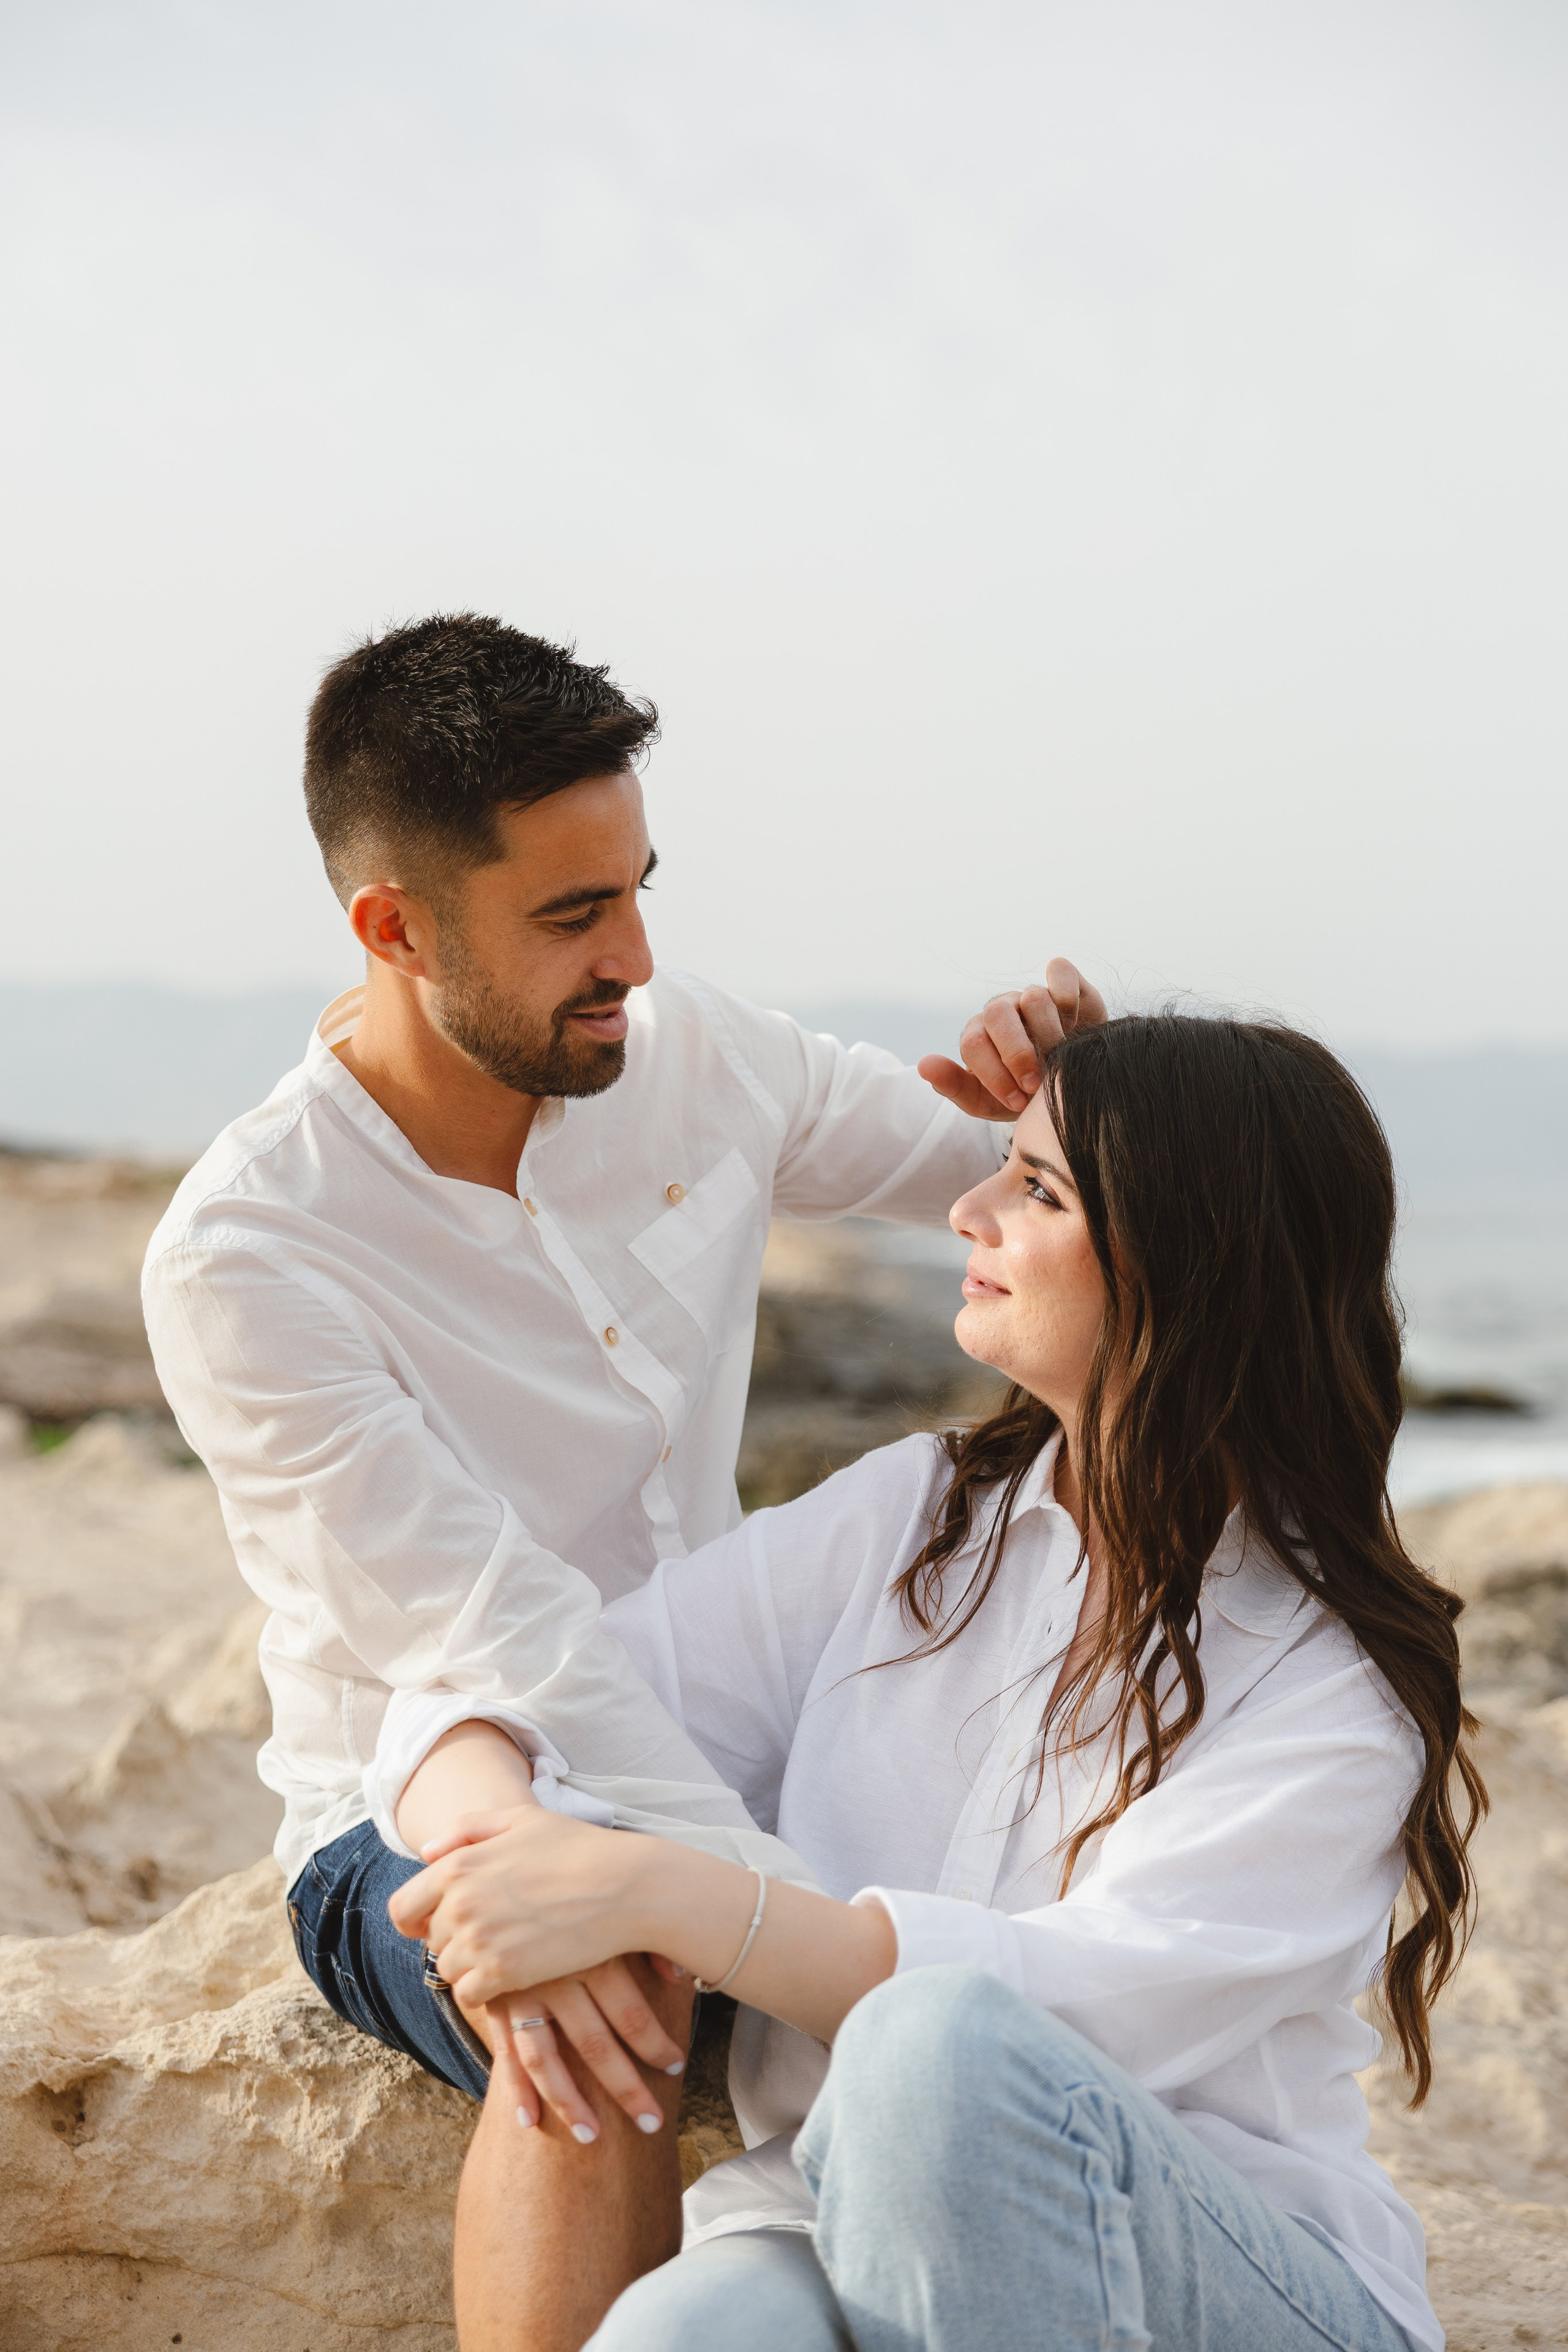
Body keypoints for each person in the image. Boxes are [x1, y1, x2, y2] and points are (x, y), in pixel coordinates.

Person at [141, 610, 1102, 2348]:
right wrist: (754, 1920)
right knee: (601, 1989)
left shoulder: (701, 1062)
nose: (637, 956)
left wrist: (1074, 1093)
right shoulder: (250, 1255)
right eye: (574, 915)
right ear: (393, 928)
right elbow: (499, 1641)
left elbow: (1030, 1198)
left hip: (745, 1729)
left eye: (640, 888)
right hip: (419, 1790)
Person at [394, 1009, 1484, 2352]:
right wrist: (502, 1833)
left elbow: (1040, 2026)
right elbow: (516, 1682)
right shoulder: (913, 1515)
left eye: (1033, 1187)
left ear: (1186, 1257)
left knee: (933, 2053)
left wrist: (659, 1891)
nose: (963, 1210)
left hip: (1217, 2275)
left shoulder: (1328, 1677)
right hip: (824, 2212)